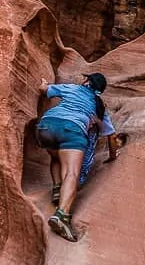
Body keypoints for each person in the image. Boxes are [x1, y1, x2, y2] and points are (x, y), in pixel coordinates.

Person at [36, 72, 120, 242]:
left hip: (45, 127)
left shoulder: (71, 88)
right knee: (72, 174)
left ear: (87, 81)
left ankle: (57, 190)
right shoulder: (99, 107)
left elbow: (44, 90)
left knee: (56, 156)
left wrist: (44, 83)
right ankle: (62, 215)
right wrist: (112, 156)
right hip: (72, 130)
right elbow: (110, 136)